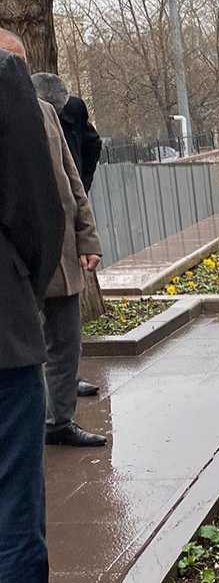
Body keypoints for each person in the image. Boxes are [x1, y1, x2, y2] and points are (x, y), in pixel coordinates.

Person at [0, 29, 106, 447]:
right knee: (28, 350)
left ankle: (58, 421)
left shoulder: (45, 112)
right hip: (16, 266)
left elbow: (71, 181)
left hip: (58, 253)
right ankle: (35, 423)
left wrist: (87, 239)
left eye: (21, 63)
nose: (18, 72)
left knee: (66, 341)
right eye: (10, 62)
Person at [0, 43, 64, 583]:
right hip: (2, 337)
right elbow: (37, 211)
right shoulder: (3, 78)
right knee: (12, 516)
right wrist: (26, 290)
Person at [31, 72, 102, 398]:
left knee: (64, 335)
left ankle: (61, 409)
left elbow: (76, 169)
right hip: (24, 254)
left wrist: (86, 235)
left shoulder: (60, 111)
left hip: (61, 242)